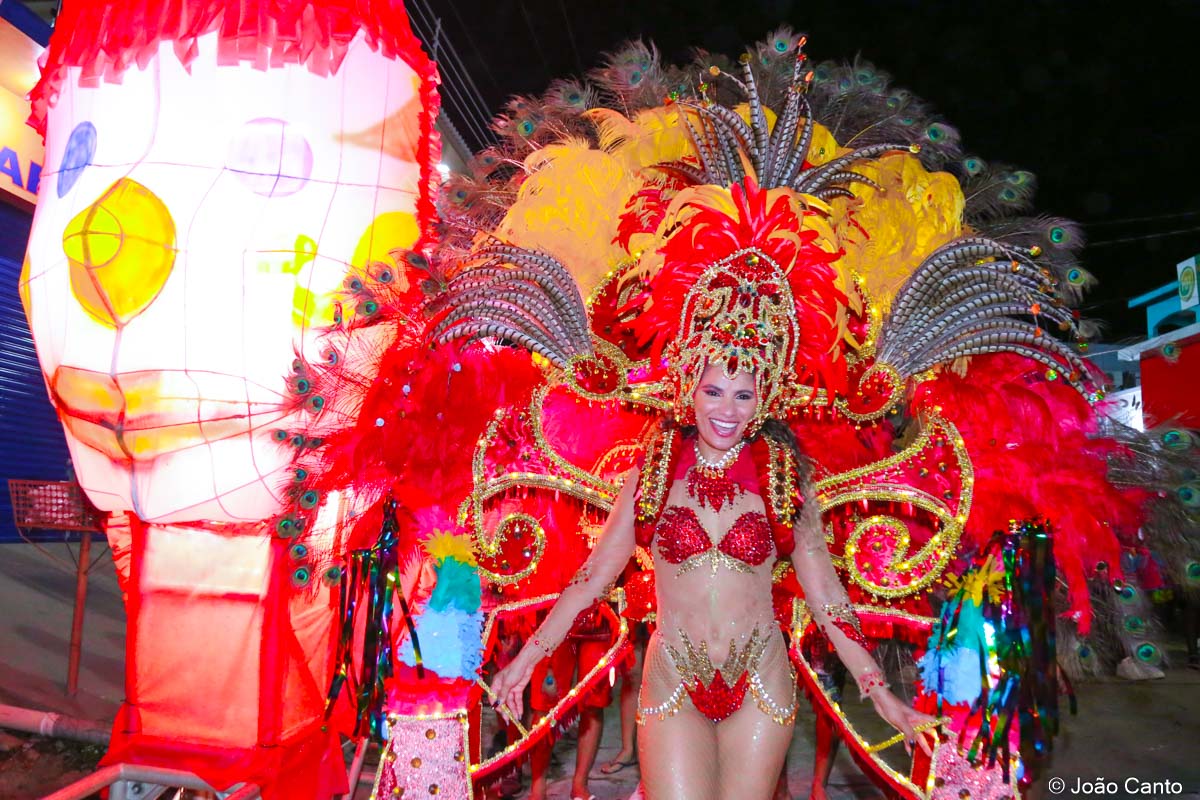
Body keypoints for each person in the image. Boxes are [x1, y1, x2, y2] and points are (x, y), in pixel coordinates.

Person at [491, 272, 939, 799]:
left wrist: (880, 693)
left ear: (762, 398)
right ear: (690, 389)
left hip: (760, 681)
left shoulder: (785, 478)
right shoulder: (653, 472)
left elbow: (827, 600)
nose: (727, 411)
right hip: (673, 679)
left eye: (743, 395)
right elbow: (591, 579)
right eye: (714, 391)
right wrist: (524, 663)